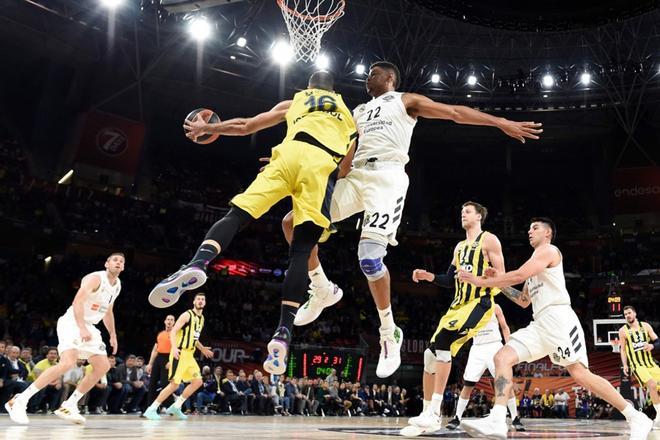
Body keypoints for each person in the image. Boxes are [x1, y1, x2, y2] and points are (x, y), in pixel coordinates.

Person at [282, 61, 543, 379]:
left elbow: (455, 113)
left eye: (373, 74)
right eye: (367, 76)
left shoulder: (406, 101)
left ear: (390, 78)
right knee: (291, 221)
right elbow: (343, 156)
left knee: (369, 260)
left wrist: (499, 121)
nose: (367, 79)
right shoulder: (358, 112)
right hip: (356, 178)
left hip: (387, 178)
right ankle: (322, 288)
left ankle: (389, 332)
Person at [148, 71, 357, 376]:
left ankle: (198, 263)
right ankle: (284, 331)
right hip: (321, 165)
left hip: (287, 155)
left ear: (309, 88)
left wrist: (210, 127)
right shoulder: (349, 118)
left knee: (237, 214)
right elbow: (345, 169)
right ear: (334, 91)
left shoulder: (295, 101)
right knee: (301, 250)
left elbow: (246, 125)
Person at [457, 218, 653, 440]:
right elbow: (523, 300)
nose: (529, 231)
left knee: (580, 374)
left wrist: (481, 281)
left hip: (559, 318)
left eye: (535, 228)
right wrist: (500, 283)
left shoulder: (549, 251)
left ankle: (636, 417)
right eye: (529, 227)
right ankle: (497, 418)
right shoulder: (534, 262)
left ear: (548, 233)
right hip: (540, 323)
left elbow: (519, 274)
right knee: (502, 357)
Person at [402, 202, 507, 434]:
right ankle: (427, 411)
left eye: (467, 211)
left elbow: (503, 276)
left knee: (443, 343)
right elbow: (449, 280)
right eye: (461, 211)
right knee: (430, 355)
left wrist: (492, 274)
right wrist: (428, 276)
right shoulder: (459, 247)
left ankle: (435, 412)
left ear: (479, 216)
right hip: (457, 306)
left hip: (479, 303)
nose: (463, 214)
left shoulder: (489, 240)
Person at [5, 253, 124, 425]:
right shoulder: (95, 278)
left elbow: (108, 311)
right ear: (107, 263)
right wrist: (81, 327)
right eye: (115, 260)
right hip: (73, 322)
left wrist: (112, 334)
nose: (118, 262)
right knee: (67, 362)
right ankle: (19, 401)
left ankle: (69, 404)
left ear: (123, 267)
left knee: (103, 366)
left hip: (90, 326)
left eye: (121, 261)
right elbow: (77, 302)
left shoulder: (118, 285)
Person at [143, 292, 213, 420]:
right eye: (198, 299)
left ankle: (176, 406)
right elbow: (173, 332)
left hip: (190, 355)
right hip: (180, 352)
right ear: (194, 302)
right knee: (174, 385)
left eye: (203, 299)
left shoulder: (201, 319)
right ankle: (151, 409)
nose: (200, 301)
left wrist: (202, 348)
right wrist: (174, 348)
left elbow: (193, 337)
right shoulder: (187, 315)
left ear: (205, 303)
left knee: (198, 381)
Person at [618, 305, 660, 429]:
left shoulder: (646, 326)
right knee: (652, 385)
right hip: (637, 365)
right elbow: (623, 350)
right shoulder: (623, 331)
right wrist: (625, 364)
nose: (627, 316)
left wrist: (652, 346)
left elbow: (658, 341)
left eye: (629, 313)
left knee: (656, 388)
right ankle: (659, 416)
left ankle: (657, 418)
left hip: (650, 363)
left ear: (635, 313)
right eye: (625, 314)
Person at [145, 314, 176, 409]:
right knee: (152, 383)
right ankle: (150, 408)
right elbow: (155, 350)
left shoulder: (176, 334)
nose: (169, 321)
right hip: (159, 358)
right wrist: (150, 364)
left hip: (168, 358)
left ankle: (170, 406)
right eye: (168, 319)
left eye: (171, 319)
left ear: (174, 322)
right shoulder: (160, 334)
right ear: (165, 321)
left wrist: (171, 361)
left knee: (165, 384)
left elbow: (177, 349)